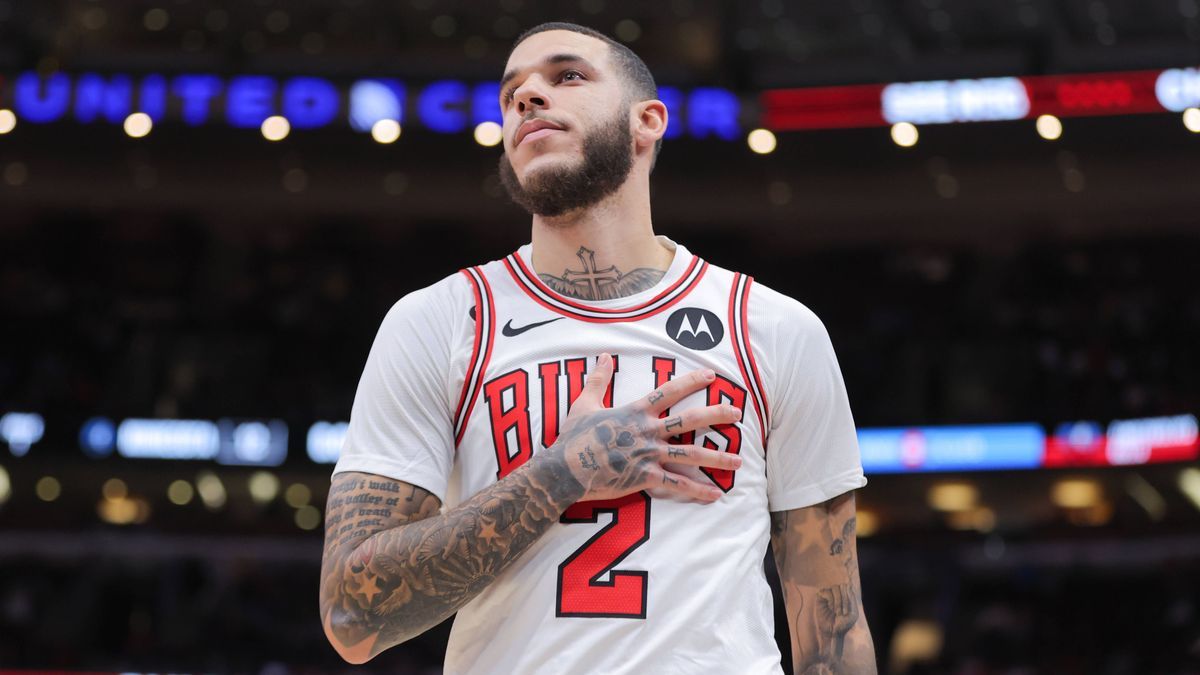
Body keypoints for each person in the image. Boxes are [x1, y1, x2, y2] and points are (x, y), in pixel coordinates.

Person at [319, 21, 876, 675]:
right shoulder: (437, 321)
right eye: (510, 93)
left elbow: (832, 636)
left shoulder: (776, 329)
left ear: (647, 122)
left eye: (567, 76)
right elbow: (351, 619)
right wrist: (561, 472)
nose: (527, 97)